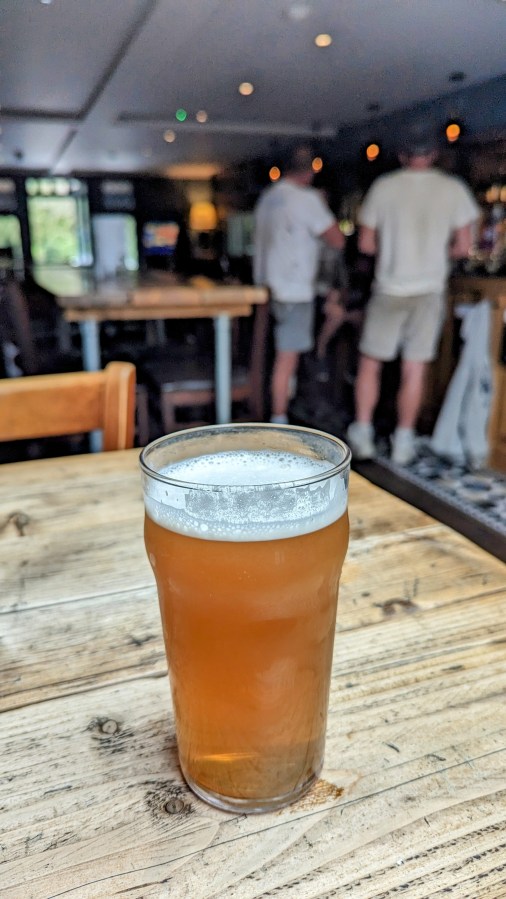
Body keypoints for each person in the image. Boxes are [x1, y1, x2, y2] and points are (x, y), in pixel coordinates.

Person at [346, 123, 480, 465]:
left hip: (389, 288)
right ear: (434, 153)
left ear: (402, 155)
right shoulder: (453, 189)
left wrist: (394, 251)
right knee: (414, 369)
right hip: (429, 290)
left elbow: (365, 244)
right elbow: (464, 247)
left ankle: (363, 435)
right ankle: (403, 442)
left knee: (370, 364)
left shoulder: (383, 187)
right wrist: (436, 253)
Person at [253, 146, 344, 424]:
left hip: (267, 288)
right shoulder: (306, 199)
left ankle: (286, 409)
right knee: (287, 359)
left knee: (278, 355)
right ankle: (279, 420)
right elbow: (337, 239)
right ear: (310, 171)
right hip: (293, 289)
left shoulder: (268, 197)